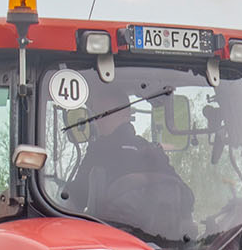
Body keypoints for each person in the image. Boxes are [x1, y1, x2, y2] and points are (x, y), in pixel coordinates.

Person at [71, 82, 195, 240]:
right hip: (169, 247)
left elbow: (75, 198)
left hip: (115, 244)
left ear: (125, 114)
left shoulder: (99, 151)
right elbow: (188, 198)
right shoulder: (152, 151)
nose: (96, 120)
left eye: (101, 113)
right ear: (128, 115)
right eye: (95, 114)